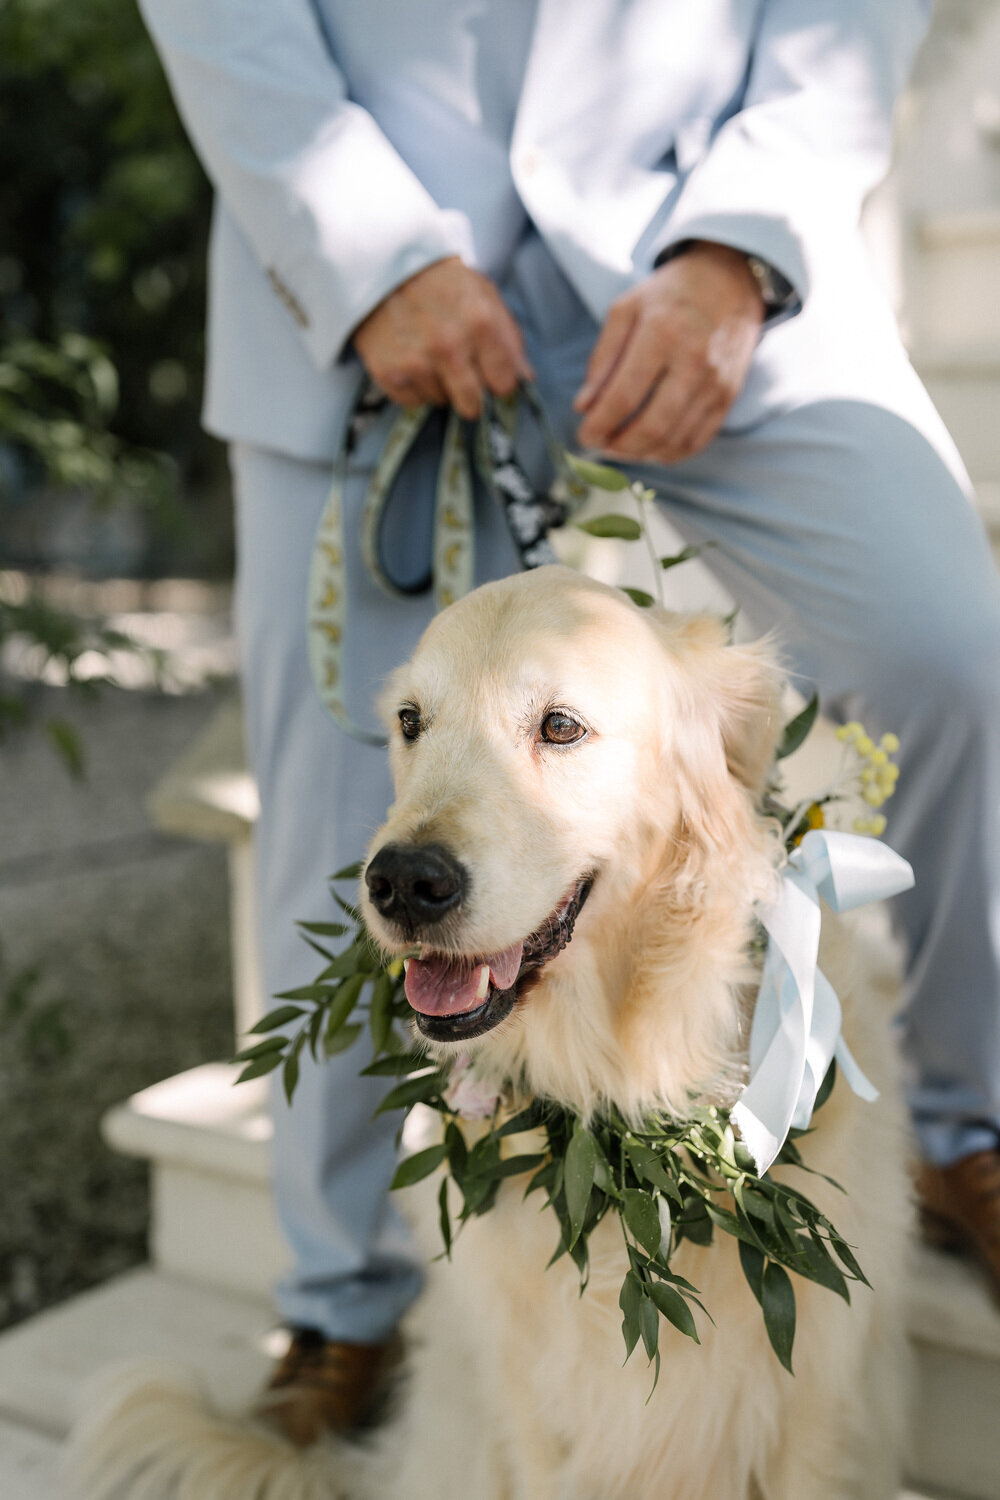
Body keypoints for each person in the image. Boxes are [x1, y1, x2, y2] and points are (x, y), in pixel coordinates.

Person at [137, 0, 1000, 1444]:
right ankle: (344, 1300)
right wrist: (364, 245)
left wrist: (741, 243)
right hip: (367, 274)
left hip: (713, 240)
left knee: (956, 655)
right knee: (352, 794)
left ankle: (971, 1132)